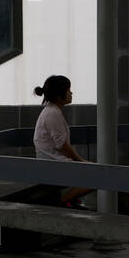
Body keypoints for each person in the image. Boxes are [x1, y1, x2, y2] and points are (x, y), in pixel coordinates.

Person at [32, 74, 91, 207]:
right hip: (53, 166)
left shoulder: (51, 111)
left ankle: (68, 199)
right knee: (98, 177)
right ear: (59, 96)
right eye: (68, 90)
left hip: (52, 163)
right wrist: (80, 161)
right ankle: (62, 202)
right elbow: (62, 145)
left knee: (94, 172)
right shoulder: (53, 113)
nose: (71, 92)